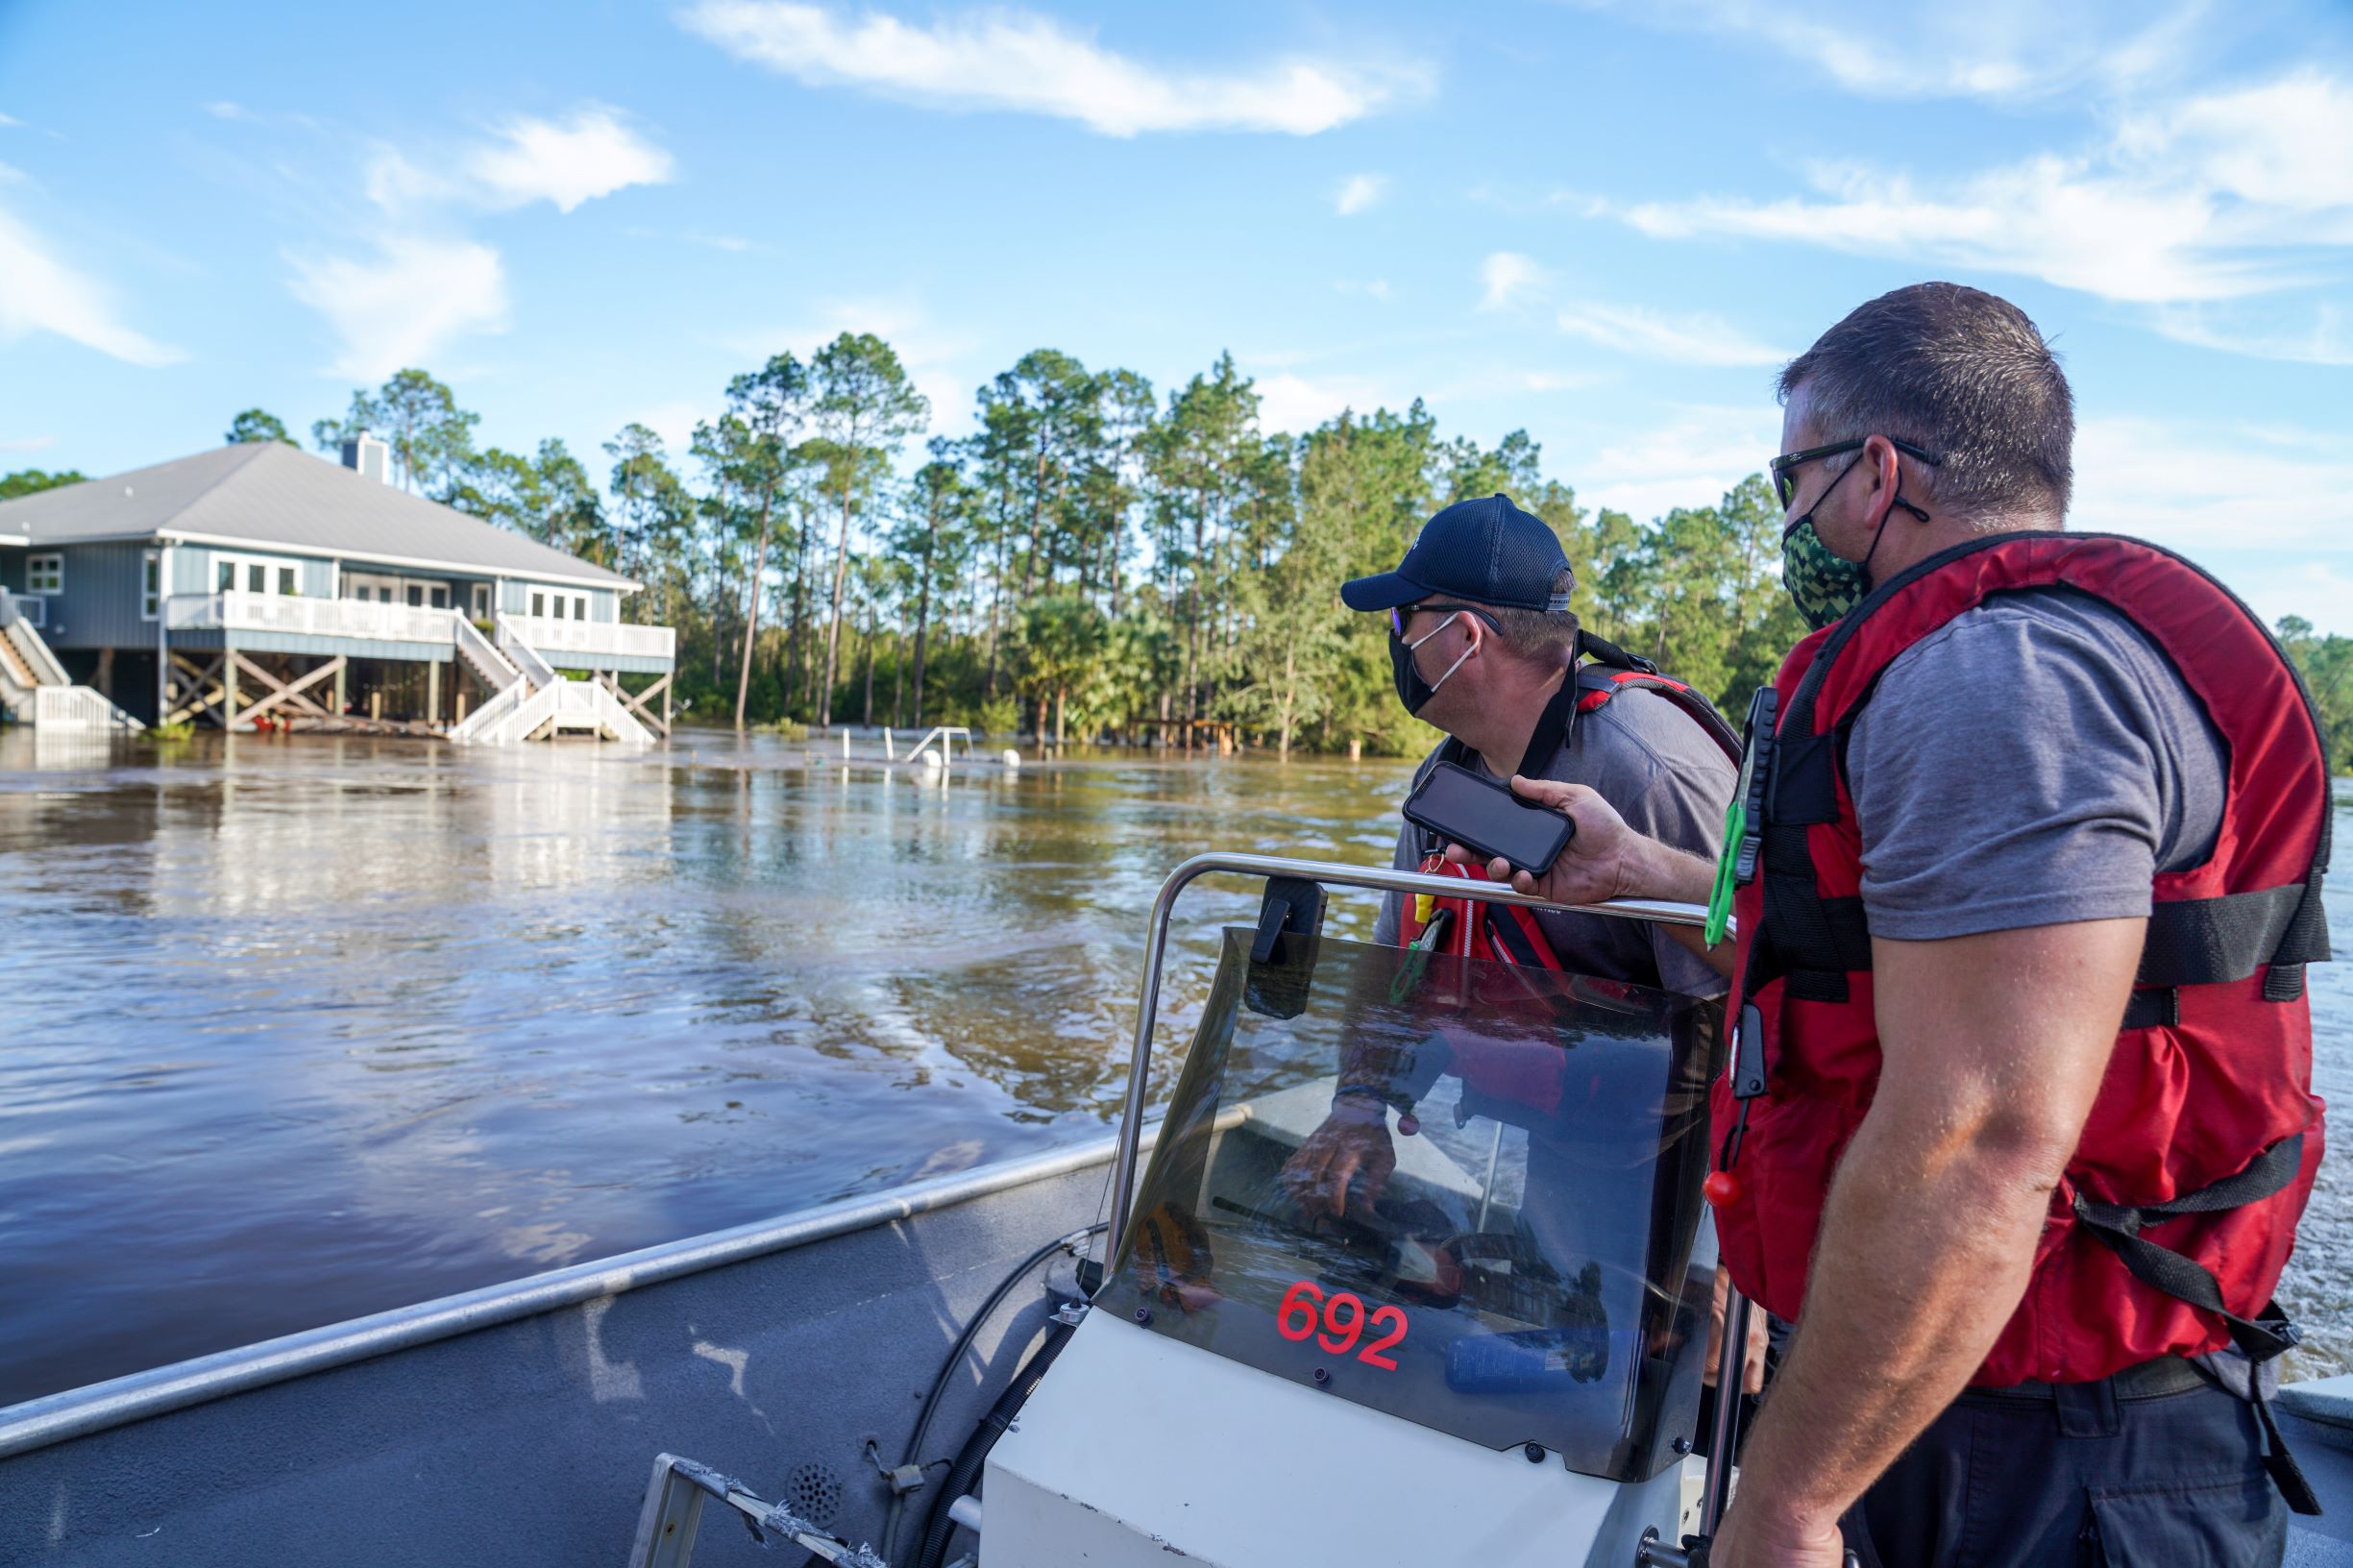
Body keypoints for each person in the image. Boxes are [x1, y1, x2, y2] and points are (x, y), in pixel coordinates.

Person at [1464, 282, 2331, 1566]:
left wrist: (1785, 1502)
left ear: (1875, 474)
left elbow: (1982, 1137)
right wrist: (1636, 865)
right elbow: (1860, 982)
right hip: (1951, 1390)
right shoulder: (1987, 666)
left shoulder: (1995, 684)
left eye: (1791, 481)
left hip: (2055, 1447)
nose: (1790, 519)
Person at [1276, 492, 1759, 1385]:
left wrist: (1701, 1268)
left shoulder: (1649, 769)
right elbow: (1393, 968)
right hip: (1560, 1131)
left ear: (1460, 636)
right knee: (1569, 1343)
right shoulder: (1449, 776)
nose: (1391, 636)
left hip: (1684, 1159)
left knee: (1661, 1367)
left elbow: (1743, 1009)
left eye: (1402, 618)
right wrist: (1359, 1102)